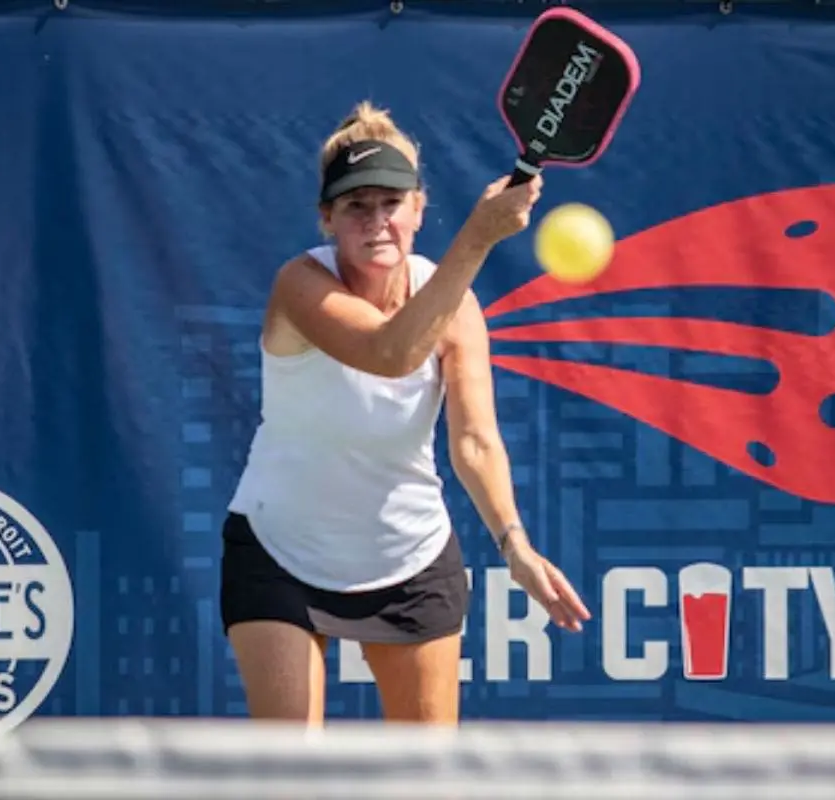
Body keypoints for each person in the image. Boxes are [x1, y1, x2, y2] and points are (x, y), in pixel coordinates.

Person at [220, 100, 591, 726]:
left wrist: (514, 542)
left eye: (392, 203)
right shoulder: (300, 285)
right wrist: (478, 236)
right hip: (280, 552)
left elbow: (474, 441)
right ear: (328, 219)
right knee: (284, 778)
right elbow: (389, 353)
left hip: (410, 559)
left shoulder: (457, 306)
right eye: (356, 206)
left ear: (418, 209)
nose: (377, 221)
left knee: (424, 781)